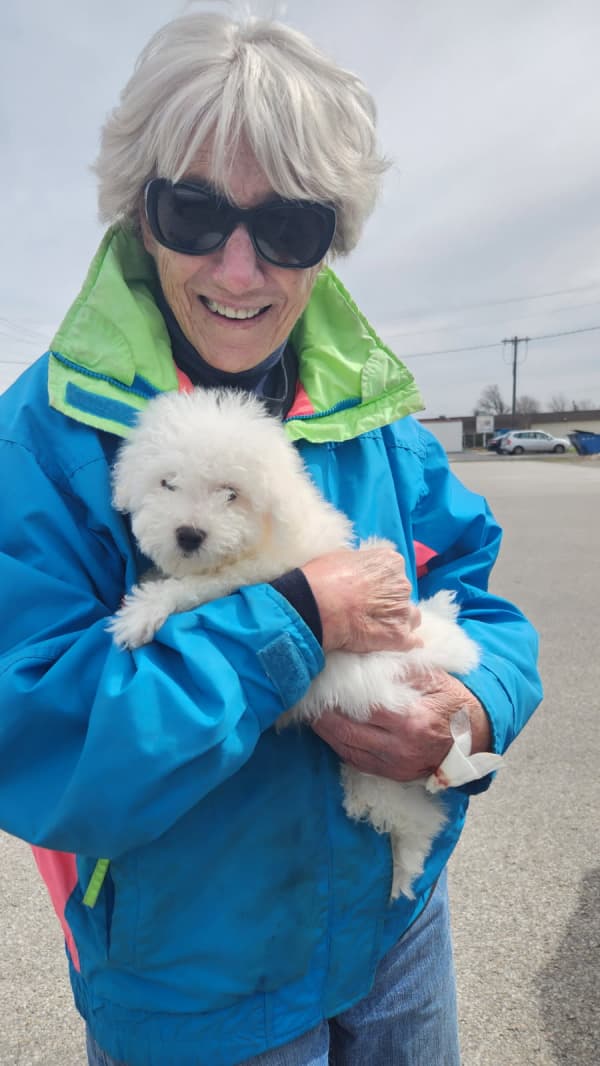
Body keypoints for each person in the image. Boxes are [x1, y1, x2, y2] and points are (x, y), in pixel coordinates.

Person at [0, 12, 542, 1066]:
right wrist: (290, 620)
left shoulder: (371, 409)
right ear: (138, 210)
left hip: (397, 934)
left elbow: (478, 592)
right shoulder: (43, 436)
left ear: (332, 237)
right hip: (193, 986)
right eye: (195, 211)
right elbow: (34, 739)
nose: (242, 271)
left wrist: (477, 706)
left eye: (290, 227)